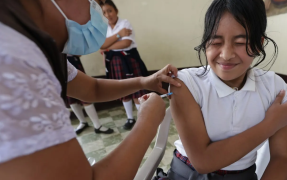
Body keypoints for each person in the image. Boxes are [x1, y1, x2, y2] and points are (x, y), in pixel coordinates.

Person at [0, 0, 181, 180]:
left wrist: (144, 81)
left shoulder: (40, 48)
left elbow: (92, 89)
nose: (99, 13)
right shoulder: (12, 60)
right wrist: (148, 122)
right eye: (93, 2)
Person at [154, 0, 287, 180]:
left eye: (240, 42)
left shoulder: (275, 88)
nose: (226, 54)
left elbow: (283, 158)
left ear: (259, 43)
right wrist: (272, 123)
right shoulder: (185, 83)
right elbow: (203, 161)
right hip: (188, 174)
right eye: (216, 42)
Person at [100, 0, 149, 130]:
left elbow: (126, 43)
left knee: (136, 91)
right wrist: (118, 35)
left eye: (109, 10)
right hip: (114, 63)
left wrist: (107, 47)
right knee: (122, 91)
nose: (108, 14)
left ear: (115, 10)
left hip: (128, 60)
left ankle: (142, 119)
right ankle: (130, 118)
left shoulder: (125, 23)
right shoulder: (105, 28)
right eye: (104, 12)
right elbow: (101, 45)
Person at [66, 55, 114, 134]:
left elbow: (79, 52)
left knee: (85, 96)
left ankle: (97, 125)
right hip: (58, 65)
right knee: (70, 99)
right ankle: (82, 122)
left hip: (72, 62)